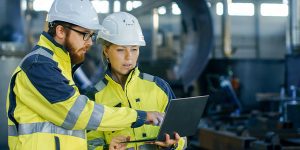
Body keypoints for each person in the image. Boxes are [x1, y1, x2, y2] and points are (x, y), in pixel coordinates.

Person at [6, 0, 164, 150]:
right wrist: (139, 116)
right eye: (85, 34)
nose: (90, 42)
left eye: (92, 35)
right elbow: (78, 114)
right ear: (60, 31)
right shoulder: (39, 65)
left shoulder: (59, 65)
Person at [87, 12, 185, 150]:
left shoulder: (159, 87)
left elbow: (182, 137)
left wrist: (172, 145)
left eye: (134, 49)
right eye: (121, 50)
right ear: (106, 51)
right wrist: (107, 148)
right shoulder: (93, 98)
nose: (129, 58)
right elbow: (88, 144)